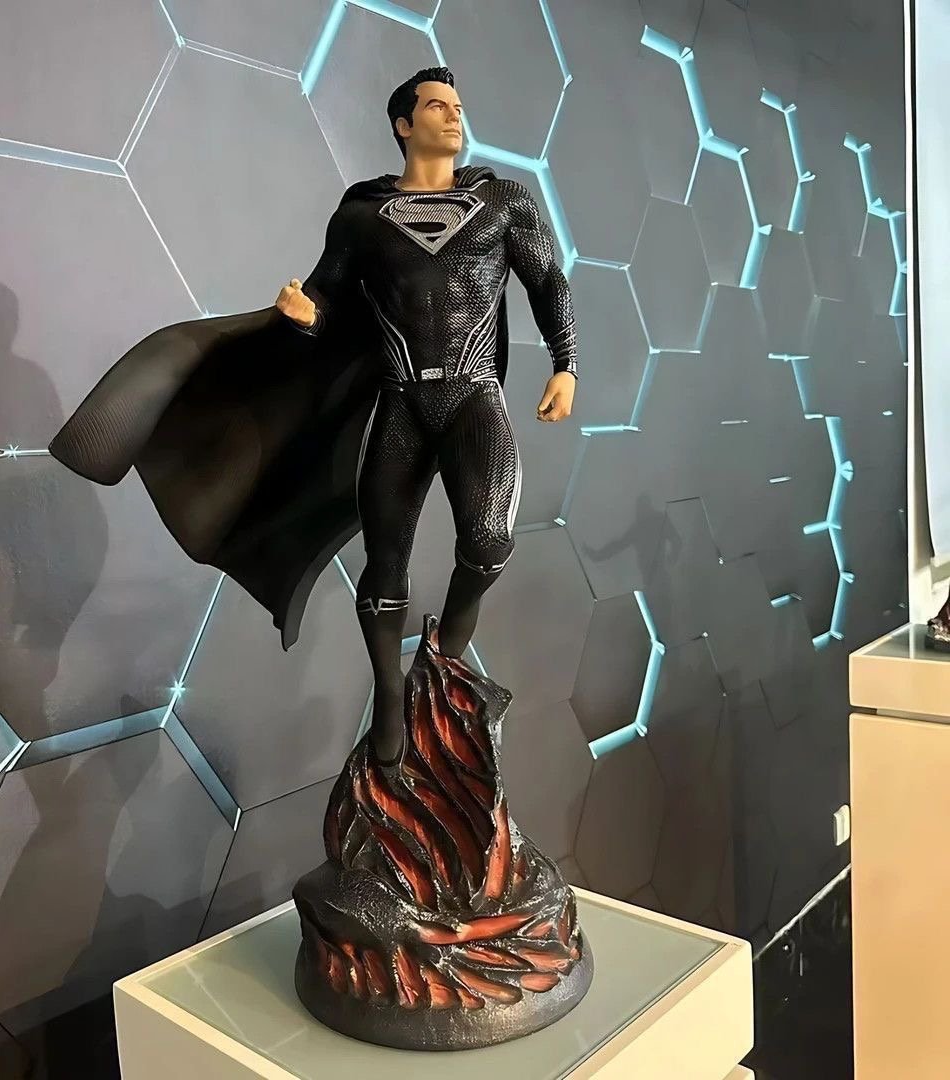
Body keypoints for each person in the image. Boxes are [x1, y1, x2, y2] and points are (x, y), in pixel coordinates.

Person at [48, 66, 577, 766]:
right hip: (399, 399)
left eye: (456, 106)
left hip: (473, 392)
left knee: (488, 538)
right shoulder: (362, 216)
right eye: (436, 106)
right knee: (386, 560)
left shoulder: (502, 201)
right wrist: (304, 315)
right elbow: (329, 300)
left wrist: (565, 363)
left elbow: (547, 279)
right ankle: (390, 692)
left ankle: (444, 659)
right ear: (403, 125)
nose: (454, 116)